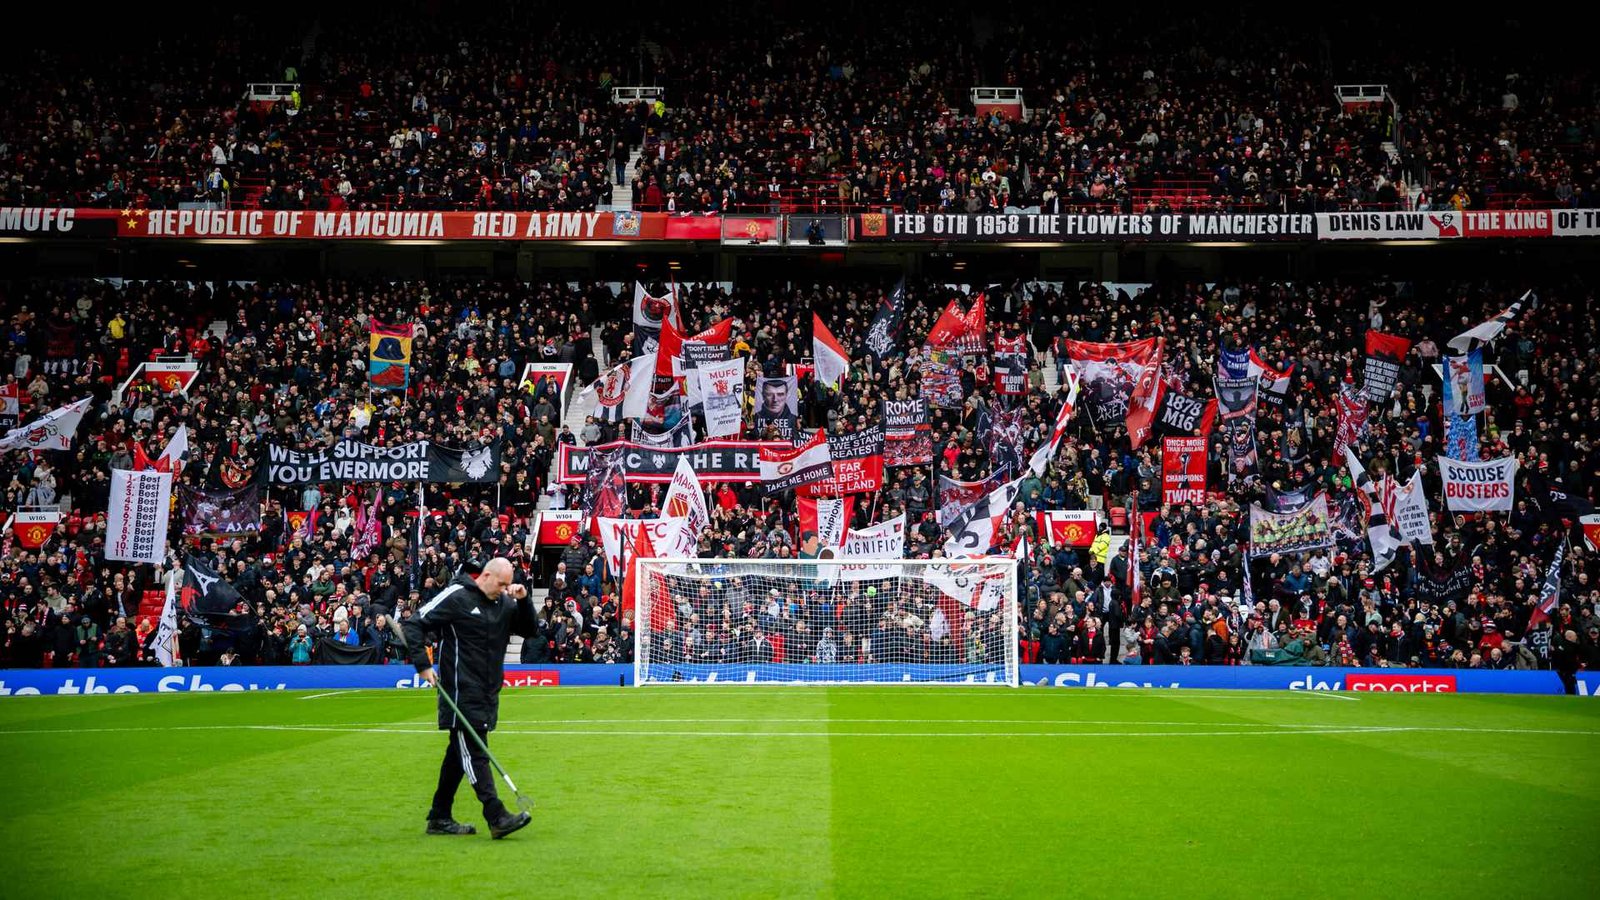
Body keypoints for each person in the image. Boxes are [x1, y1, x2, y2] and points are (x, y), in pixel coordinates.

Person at [403, 557, 538, 839]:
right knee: (475, 752)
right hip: (459, 691)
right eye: (501, 584)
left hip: (489, 691)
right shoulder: (457, 596)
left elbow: (530, 631)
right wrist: (422, 665)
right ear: (486, 576)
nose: (504, 590)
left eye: (507, 585)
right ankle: (496, 816)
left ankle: (439, 816)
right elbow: (414, 624)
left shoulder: (504, 602)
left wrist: (524, 600)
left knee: (458, 755)